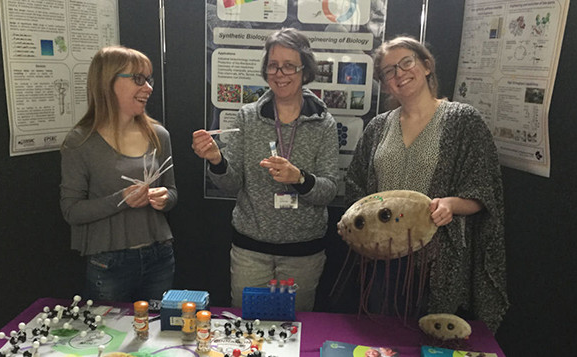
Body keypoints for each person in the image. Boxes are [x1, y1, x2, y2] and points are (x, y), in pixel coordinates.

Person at [344, 35, 508, 331]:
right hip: (383, 259)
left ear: (427, 65)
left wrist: (450, 205)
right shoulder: (378, 126)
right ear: (384, 82)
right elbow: (356, 186)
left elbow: (484, 190)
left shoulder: (462, 121)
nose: (399, 74)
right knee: (382, 337)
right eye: (389, 71)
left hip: (436, 260)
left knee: (431, 339)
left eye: (406, 62)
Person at [192, 28, 338, 311]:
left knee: (293, 332)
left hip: (303, 254)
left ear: (305, 69)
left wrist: (299, 178)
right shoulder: (248, 116)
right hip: (251, 252)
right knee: (247, 331)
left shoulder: (324, 123)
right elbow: (231, 184)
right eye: (273, 65)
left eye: (289, 66)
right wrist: (216, 160)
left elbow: (329, 191)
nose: (280, 73)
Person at [60, 46, 177, 302]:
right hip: (109, 263)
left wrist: (164, 198)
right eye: (138, 79)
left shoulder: (158, 135)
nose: (148, 88)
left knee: (159, 336)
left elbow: (172, 193)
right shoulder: (80, 142)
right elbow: (71, 211)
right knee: (110, 338)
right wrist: (121, 199)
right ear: (107, 82)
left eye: (149, 79)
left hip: (159, 257)